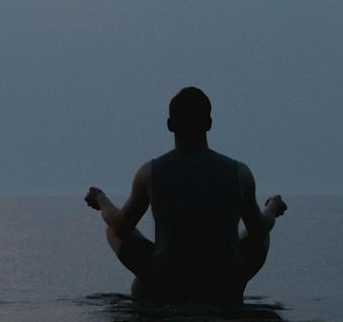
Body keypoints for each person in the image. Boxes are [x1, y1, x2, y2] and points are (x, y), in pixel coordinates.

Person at [85, 86, 287, 303]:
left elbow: (120, 226)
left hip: (168, 279)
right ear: (209, 124)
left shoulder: (150, 173)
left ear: (170, 125)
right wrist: (272, 208)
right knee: (262, 234)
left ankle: (152, 287)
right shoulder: (240, 173)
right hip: (226, 280)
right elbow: (258, 228)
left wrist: (101, 199)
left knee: (113, 231)